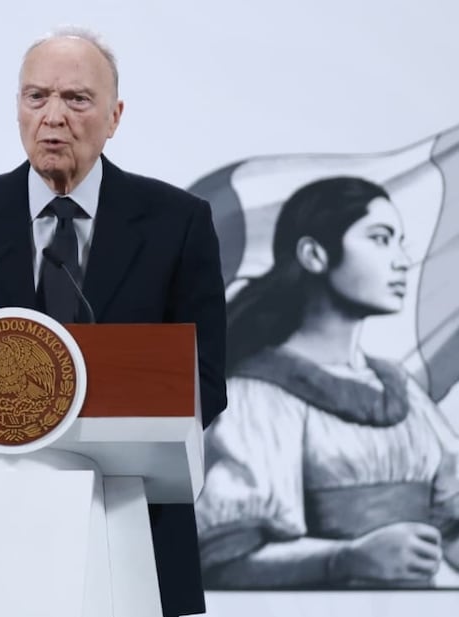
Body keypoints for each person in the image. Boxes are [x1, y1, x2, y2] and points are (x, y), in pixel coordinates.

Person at [0, 26, 227, 617]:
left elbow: (206, 382)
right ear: (18, 107)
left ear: (115, 116)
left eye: (77, 100)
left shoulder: (178, 222)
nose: (53, 116)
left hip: (131, 527)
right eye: (37, 97)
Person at [195, 176, 459, 589]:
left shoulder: (401, 389)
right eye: (380, 238)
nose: (402, 260)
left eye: (400, 240)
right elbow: (226, 558)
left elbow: (450, 522)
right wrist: (348, 558)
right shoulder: (259, 394)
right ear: (314, 254)